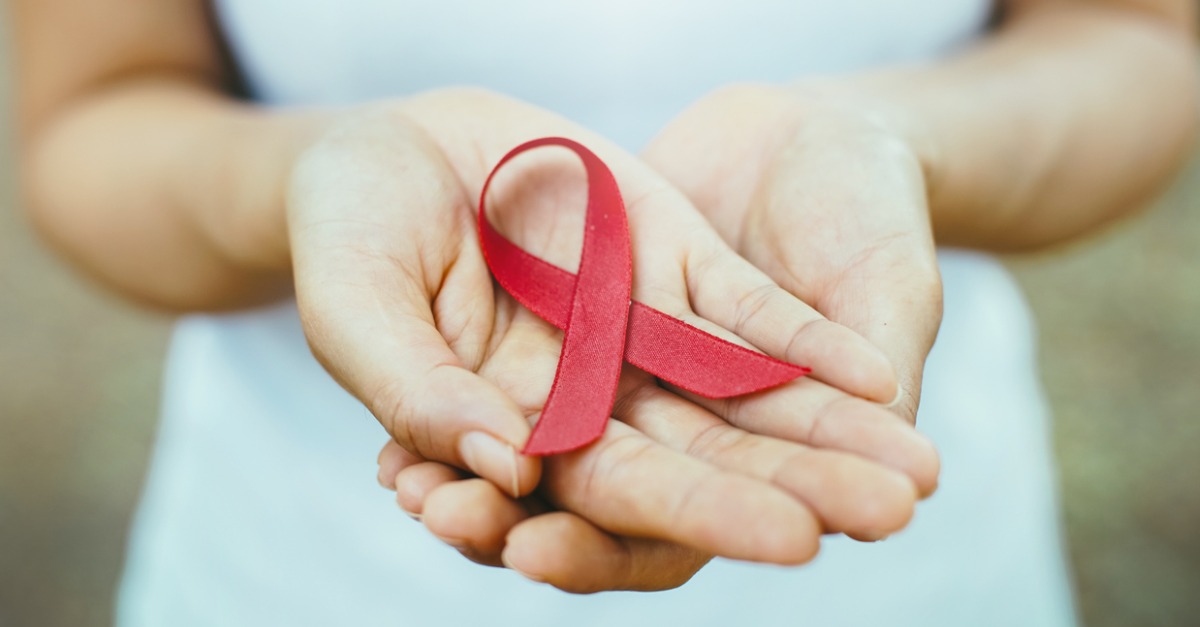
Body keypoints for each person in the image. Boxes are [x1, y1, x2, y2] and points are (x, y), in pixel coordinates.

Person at [14, 0, 1197, 625]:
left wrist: (899, 143)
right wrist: (307, 175)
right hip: (301, 570)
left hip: (892, 539)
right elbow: (85, 119)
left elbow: (1138, 37)